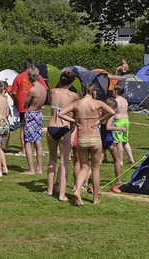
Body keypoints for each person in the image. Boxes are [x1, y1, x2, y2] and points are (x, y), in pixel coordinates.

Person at [59, 83, 115, 205]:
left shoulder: (77, 104)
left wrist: (74, 120)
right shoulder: (97, 103)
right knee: (95, 169)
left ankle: (77, 190)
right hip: (95, 139)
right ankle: (95, 198)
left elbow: (61, 113)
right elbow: (111, 111)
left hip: (82, 139)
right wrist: (100, 121)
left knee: (84, 167)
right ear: (93, 91)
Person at [45, 69, 79, 201]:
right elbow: (75, 113)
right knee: (64, 162)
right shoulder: (73, 96)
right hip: (64, 127)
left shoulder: (53, 91)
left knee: (52, 159)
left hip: (51, 127)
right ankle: (62, 194)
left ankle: (49, 190)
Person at [10, 59, 48, 156]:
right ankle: (36, 150)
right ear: (33, 66)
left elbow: (14, 92)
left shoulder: (19, 77)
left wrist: (17, 101)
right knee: (37, 129)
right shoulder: (39, 77)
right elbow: (45, 88)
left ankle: (24, 150)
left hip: (25, 108)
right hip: (37, 107)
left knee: (23, 128)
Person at [22, 68, 47, 175]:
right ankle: (39, 168)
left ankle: (31, 169)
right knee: (38, 141)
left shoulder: (32, 90)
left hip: (31, 114)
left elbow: (26, 104)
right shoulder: (43, 89)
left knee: (28, 142)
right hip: (39, 114)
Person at [101, 98, 124, 186]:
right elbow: (108, 127)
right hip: (109, 139)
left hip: (102, 138)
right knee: (117, 161)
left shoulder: (101, 113)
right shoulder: (111, 115)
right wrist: (121, 128)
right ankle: (118, 180)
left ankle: (85, 181)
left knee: (97, 163)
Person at [112, 84, 134, 164]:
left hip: (119, 122)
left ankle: (120, 160)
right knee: (125, 141)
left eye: (113, 90)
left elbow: (113, 111)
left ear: (116, 91)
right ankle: (131, 158)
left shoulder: (116, 101)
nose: (112, 92)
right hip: (126, 121)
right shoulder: (125, 100)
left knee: (118, 141)